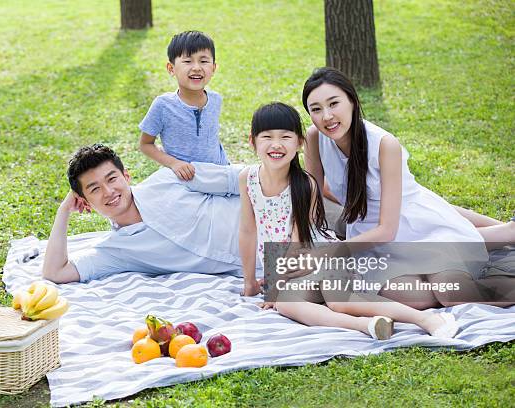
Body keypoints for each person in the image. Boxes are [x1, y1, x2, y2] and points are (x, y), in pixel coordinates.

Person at [238, 102, 459, 340]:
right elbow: (248, 230)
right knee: (287, 305)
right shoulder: (248, 178)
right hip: (294, 272)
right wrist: (250, 281)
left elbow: (297, 242)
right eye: (267, 137)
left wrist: (274, 284)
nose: (276, 144)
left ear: (299, 142)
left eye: (285, 137)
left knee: (339, 301)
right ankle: (369, 326)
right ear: (252, 141)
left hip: (322, 259)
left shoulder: (304, 185)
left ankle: (427, 319)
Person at [301, 67, 514, 308]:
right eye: (316, 109)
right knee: (413, 297)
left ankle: (498, 239)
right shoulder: (314, 138)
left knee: (452, 293)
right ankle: (499, 235)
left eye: (334, 104)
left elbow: (388, 230)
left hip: (418, 229)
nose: (327, 116)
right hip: (370, 241)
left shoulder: (384, 144)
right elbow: (314, 196)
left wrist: (337, 251)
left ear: (352, 101)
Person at [42, 143, 254, 285]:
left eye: (112, 179)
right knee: (285, 306)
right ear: (86, 202)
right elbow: (55, 272)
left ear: (126, 176)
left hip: (277, 217)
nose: (109, 192)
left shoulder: (169, 178)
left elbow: (242, 177)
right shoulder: (115, 251)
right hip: (265, 267)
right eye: (95, 189)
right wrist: (63, 211)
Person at [138, 31, 228, 181]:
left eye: (204, 61)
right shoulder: (163, 105)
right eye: (188, 61)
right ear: (171, 68)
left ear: (213, 68)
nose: (197, 67)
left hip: (218, 173)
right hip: (184, 178)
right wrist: (174, 163)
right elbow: (145, 144)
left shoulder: (216, 100)